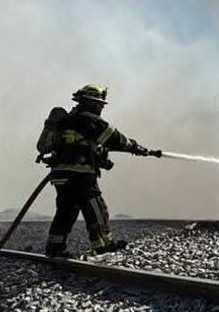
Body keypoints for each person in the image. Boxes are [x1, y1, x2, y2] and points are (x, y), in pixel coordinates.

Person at [43, 84, 160, 258]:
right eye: (100, 104)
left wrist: (101, 158)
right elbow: (116, 139)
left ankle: (55, 247)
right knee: (97, 209)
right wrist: (136, 148)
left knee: (66, 212)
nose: (101, 108)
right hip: (80, 174)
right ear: (91, 102)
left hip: (61, 175)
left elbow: (86, 146)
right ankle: (104, 246)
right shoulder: (90, 120)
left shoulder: (70, 119)